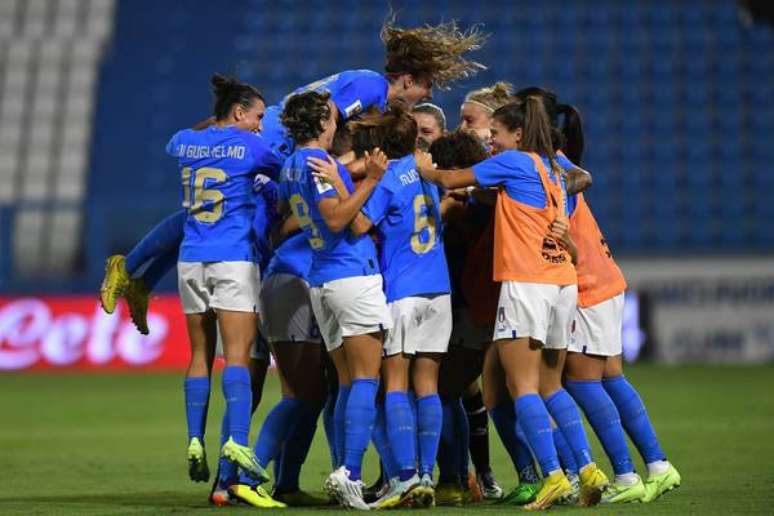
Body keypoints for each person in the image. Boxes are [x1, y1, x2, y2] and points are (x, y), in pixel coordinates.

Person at [99, 17, 487, 336]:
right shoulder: (371, 85)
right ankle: (128, 268)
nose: (424, 94)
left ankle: (139, 280)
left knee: (219, 214)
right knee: (219, 213)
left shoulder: (373, 97)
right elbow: (326, 113)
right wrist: (341, 165)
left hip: (279, 148)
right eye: (424, 86)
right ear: (406, 79)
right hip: (271, 140)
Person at [415, 97, 607, 510]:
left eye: (496, 136)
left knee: (521, 387)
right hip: (561, 282)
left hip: (527, 284)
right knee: (552, 385)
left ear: (516, 135)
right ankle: (589, 470)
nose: (492, 144)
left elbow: (447, 179)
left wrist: (415, 165)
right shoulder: (551, 169)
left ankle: (553, 476)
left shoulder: (514, 162)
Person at [512, 87, 681, 504]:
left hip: (584, 283)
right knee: (608, 377)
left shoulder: (549, 166)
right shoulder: (551, 165)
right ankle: (657, 466)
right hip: (603, 280)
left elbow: (577, 185)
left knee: (581, 382)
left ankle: (625, 476)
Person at [167, 74, 284, 508]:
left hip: (190, 258)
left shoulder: (184, 141)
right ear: (239, 113)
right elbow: (280, 170)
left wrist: (217, 125)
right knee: (238, 356)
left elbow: (187, 138)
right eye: (256, 116)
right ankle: (237, 441)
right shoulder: (252, 147)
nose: (260, 125)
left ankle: (195, 438)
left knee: (199, 354)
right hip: (232, 258)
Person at [278, 90, 390, 510]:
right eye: (331, 117)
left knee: (346, 382)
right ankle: (351, 473)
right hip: (350, 278)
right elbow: (340, 218)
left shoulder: (292, 165)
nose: (336, 122)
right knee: (365, 379)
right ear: (322, 123)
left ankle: (346, 469)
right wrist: (375, 179)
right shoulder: (317, 164)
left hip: (323, 278)